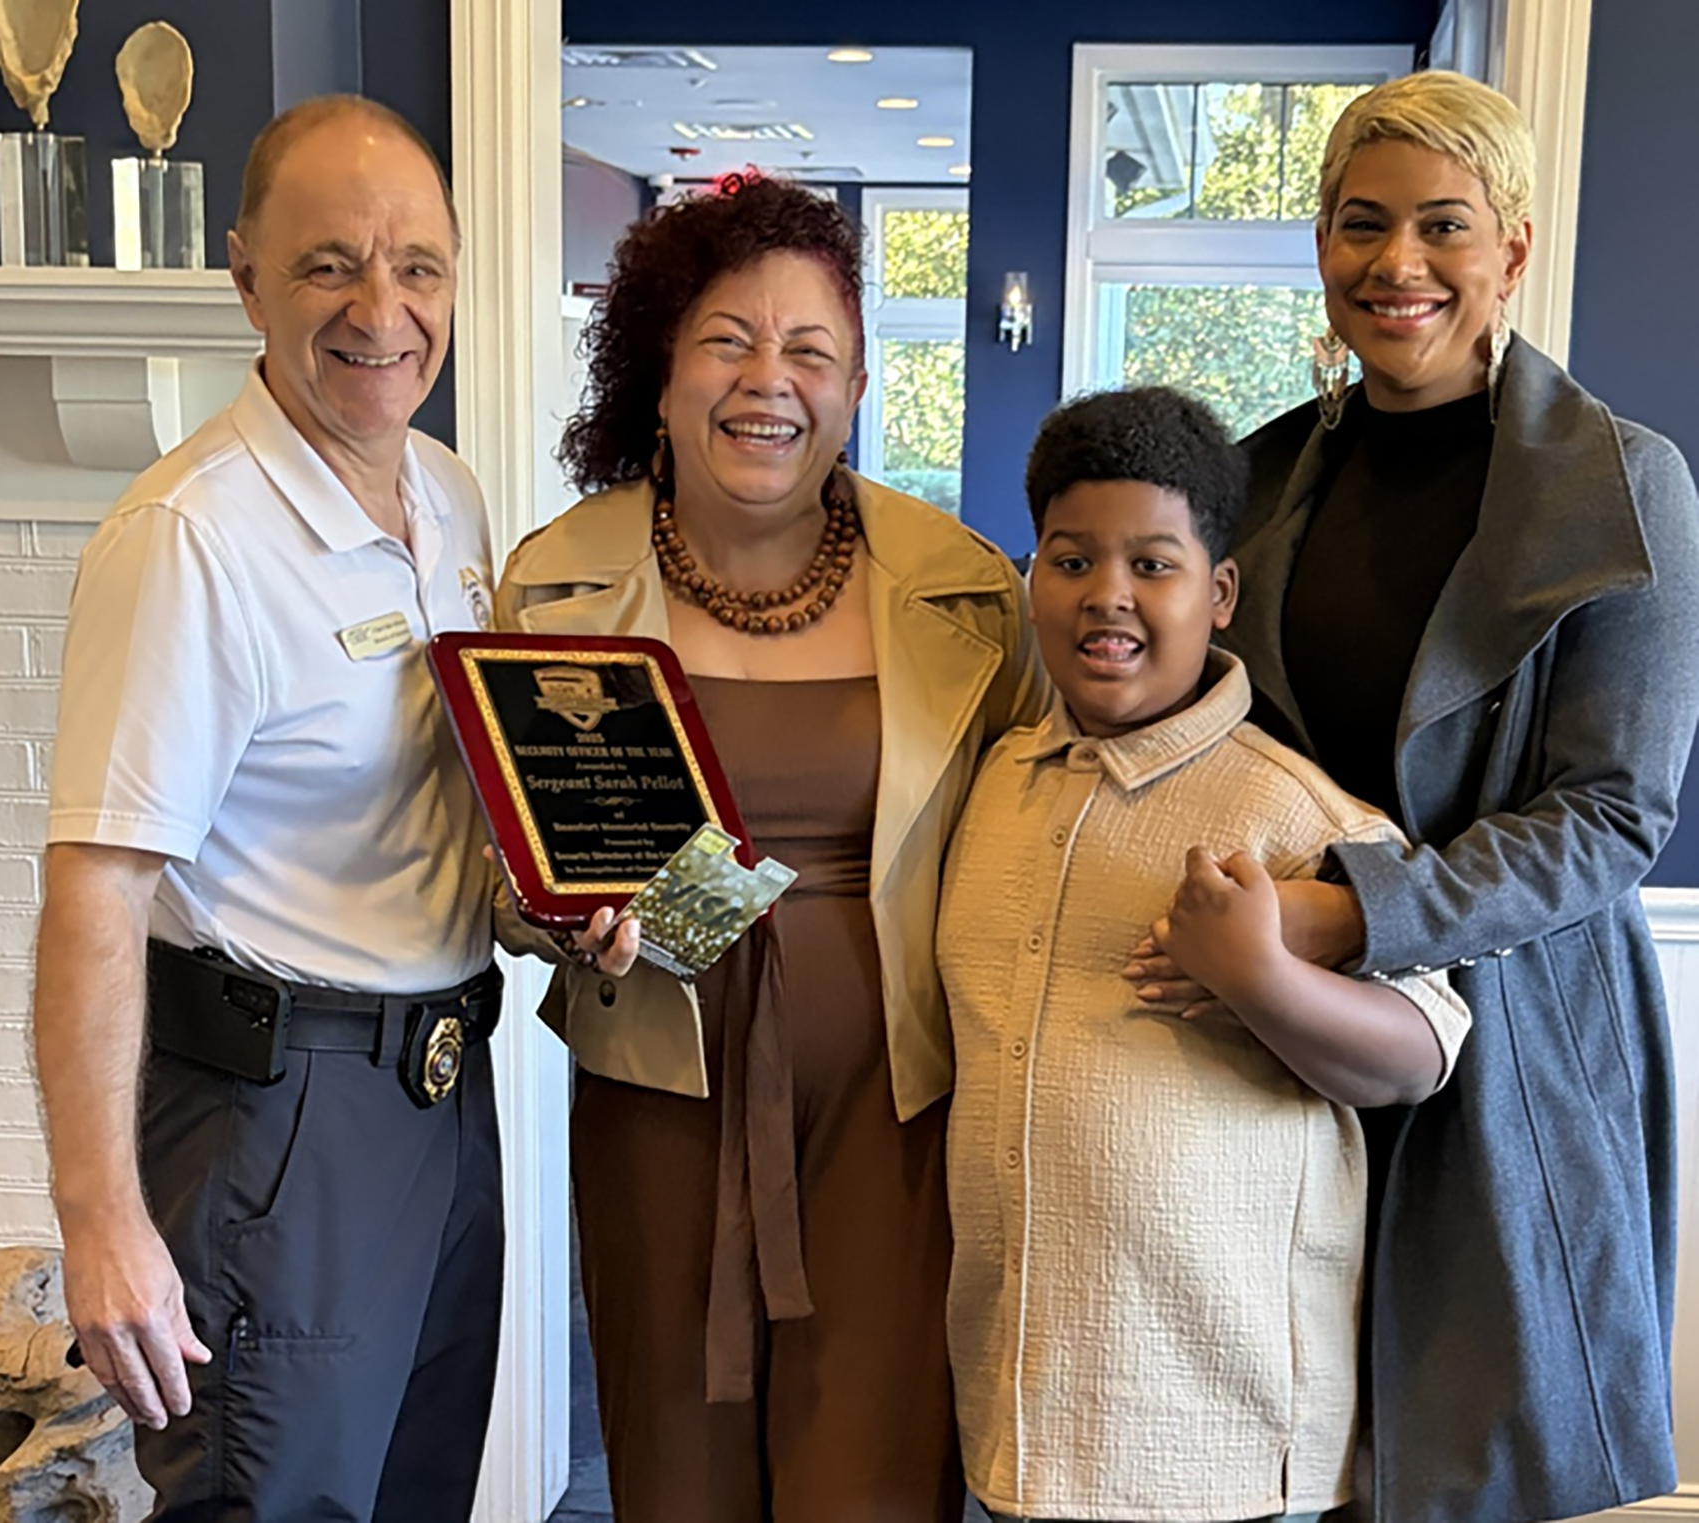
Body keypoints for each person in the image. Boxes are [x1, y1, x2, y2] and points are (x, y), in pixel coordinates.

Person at [1138, 70, 1699, 1523]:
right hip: (1272, 1027)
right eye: (1359, 223)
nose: (1397, 264)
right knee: (1279, 1447)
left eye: (1443, 225)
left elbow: (1613, 814)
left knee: (1469, 1465)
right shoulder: (1252, 483)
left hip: (1518, 1037)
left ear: (1511, 246)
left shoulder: (1630, 483)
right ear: (1319, 244)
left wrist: (1350, 916)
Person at [495, 171, 1045, 1522]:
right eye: (728, 339)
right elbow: (500, 878)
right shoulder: (551, 579)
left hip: (901, 1109)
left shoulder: (970, 589)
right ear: (659, 371)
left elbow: (1041, 824)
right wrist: (550, 914)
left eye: (811, 350)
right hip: (659, 1101)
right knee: (676, 1468)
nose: (769, 380)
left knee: (872, 1473)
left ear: (856, 386)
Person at [33, 96, 504, 1520]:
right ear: (245, 276)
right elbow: (94, 894)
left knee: (419, 1490)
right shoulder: (190, 538)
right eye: (329, 265)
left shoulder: (449, 493)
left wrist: (547, 900)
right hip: (275, 1118)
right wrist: (101, 1214)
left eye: (417, 265)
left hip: (444, 1097)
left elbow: (435, 814)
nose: (383, 309)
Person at [939, 386, 1471, 1523]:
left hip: (1212, 1429)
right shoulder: (989, 784)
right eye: (1070, 560)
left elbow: (1421, 1052)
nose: (1106, 596)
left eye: (1152, 563)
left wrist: (1261, 977)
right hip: (1019, 1407)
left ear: (1218, 592)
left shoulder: (1294, 814)